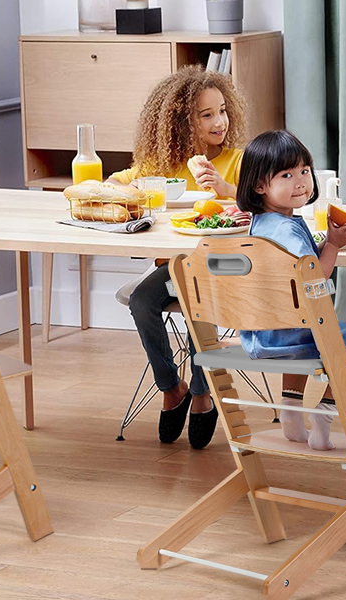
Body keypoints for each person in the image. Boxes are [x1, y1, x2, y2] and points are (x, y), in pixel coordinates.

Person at [118, 66, 249, 449]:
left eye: (222, 111)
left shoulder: (238, 161)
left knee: (197, 302)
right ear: (180, 122)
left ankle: (203, 392)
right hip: (175, 265)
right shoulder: (164, 166)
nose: (219, 121)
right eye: (206, 115)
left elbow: (261, 201)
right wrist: (114, 186)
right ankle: (171, 386)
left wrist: (225, 188)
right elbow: (122, 181)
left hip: (224, 268)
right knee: (142, 300)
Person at [235, 130, 346, 451]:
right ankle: (323, 417)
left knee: (299, 323)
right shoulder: (287, 229)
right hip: (288, 337)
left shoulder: (263, 222)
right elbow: (315, 276)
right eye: (286, 174)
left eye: (304, 171)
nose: (300, 181)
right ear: (260, 186)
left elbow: (300, 263)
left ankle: (291, 415)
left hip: (261, 334)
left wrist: (327, 241)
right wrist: (335, 247)